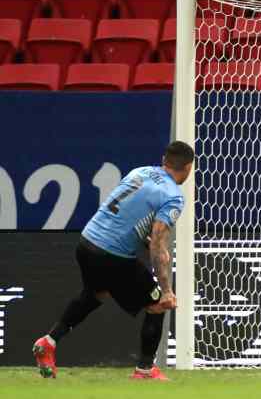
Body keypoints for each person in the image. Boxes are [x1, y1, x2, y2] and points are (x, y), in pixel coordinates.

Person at [32, 141, 194, 380]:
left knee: (96, 294)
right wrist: (167, 290)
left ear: (164, 160)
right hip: (112, 255)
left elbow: (124, 214)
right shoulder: (173, 196)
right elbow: (158, 244)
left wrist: (147, 240)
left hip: (87, 243)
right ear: (188, 167)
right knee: (158, 304)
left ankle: (48, 342)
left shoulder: (139, 172)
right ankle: (145, 370)